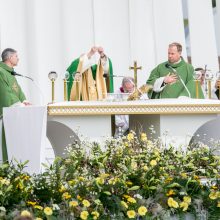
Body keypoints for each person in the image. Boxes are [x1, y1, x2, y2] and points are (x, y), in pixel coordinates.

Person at [0, 48, 29, 162]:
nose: (18, 58)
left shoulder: (10, 73)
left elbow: (17, 91)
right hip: (8, 114)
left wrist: (24, 101)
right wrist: (19, 104)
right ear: (10, 58)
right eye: (16, 56)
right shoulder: (1, 72)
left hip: (16, 113)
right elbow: (5, 93)